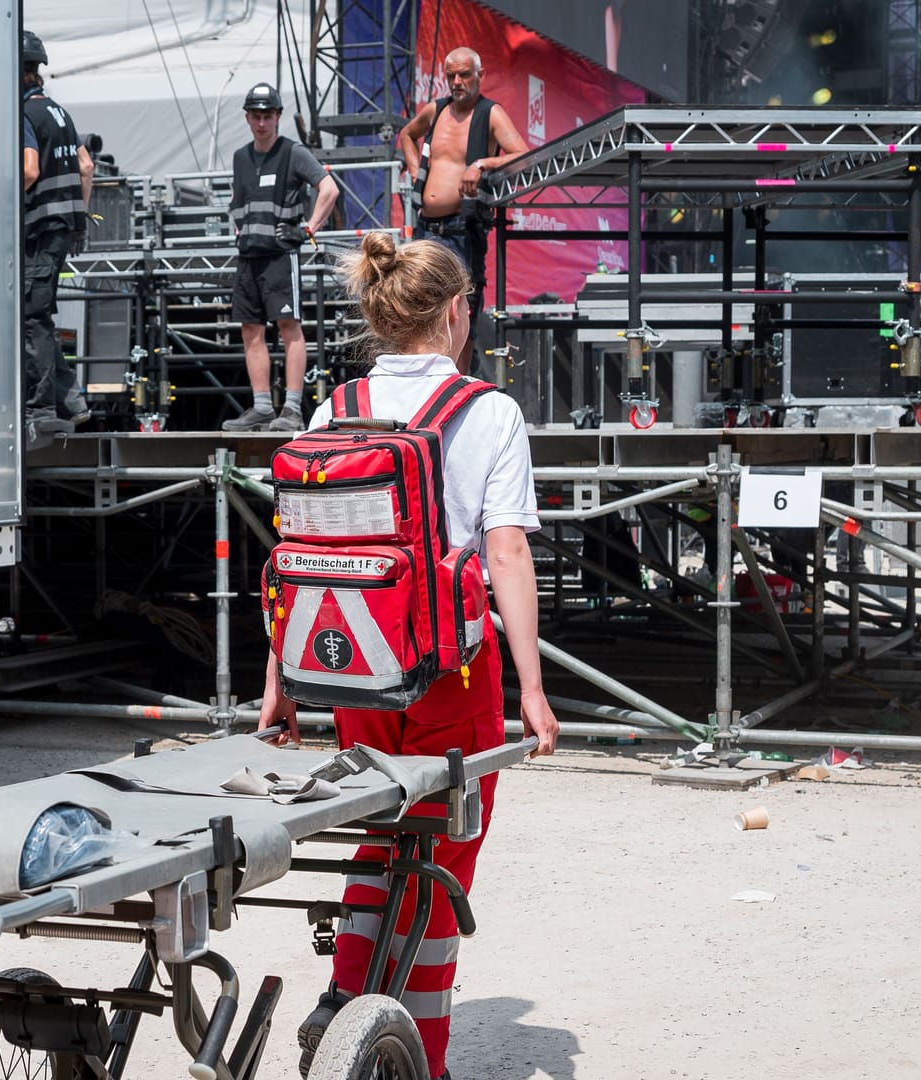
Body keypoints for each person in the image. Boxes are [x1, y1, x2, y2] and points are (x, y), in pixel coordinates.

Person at [263, 233, 559, 1080]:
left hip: (351, 670)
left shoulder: (334, 409)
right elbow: (505, 553)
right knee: (439, 861)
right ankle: (413, 1057)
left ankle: (347, 1001)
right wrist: (533, 690)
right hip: (452, 676)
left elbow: (305, 556)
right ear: (458, 312)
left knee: (377, 838)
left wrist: (281, 681)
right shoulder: (489, 411)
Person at [394, 47, 529, 364]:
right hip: (427, 229)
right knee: (419, 307)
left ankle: (455, 386)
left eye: (464, 74)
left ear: (480, 76)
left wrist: (482, 164)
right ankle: (425, 383)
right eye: (451, 75)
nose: (457, 81)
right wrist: (415, 171)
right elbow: (406, 134)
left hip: (462, 230)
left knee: (461, 310)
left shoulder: (490, 113)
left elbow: (522, 155)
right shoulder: (436, 110)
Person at [223, 82, 340, 433]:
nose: (262, 123)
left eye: (268, 116)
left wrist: (307, 230)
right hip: (249, 257)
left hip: (280, 255)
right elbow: (237, 203)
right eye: (256, 116)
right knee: (250, 329)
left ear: (277, 117)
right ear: (247, 118)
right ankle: (261, 407)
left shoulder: (293, 152)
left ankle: (290, 408)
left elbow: (330, 189)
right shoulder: (241, 157)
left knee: (289, 328)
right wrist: (240, 231)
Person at [21, 29, 94, 435]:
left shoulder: (24, 114)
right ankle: (71, 399)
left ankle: (42, 409)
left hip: (40, 229)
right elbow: (86, 166)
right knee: (39, 314)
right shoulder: (60, 112)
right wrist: (78, 215)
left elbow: (29, 170)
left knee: (33, 318)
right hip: (63, 228)